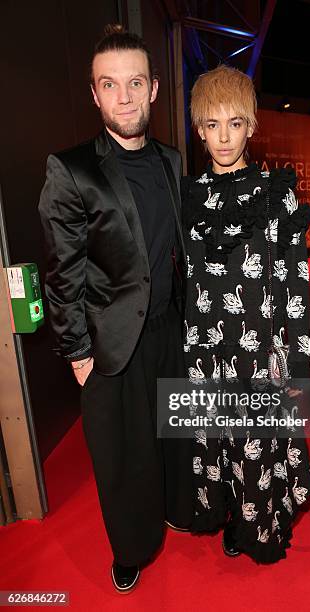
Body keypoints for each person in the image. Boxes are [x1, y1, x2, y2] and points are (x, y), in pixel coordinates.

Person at [38, 24, 191, 593]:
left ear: (153, 89)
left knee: (173, 435)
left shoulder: (174, 162)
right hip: (109, 343)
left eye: (134, 83)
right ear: (95, 93)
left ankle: (177, 509)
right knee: (121, 457)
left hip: (170, 331)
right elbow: (61, 272)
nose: (124, 97)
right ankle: (131, 547)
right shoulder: (71, 169)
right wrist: (78, 350)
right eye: (110, 84)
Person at [182, 65, 310, 564]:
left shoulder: (276, 191)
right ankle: (231, 516)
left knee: (257, 444)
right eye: (212, 124)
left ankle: (260, 527)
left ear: (252, 126)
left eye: (234, 123)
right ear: (198, 129)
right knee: (219, 439)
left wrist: (298, 356)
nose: (223, 136)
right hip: (208, 351)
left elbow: (295, 281)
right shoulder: (188, 195)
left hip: (259, 350)